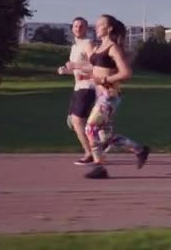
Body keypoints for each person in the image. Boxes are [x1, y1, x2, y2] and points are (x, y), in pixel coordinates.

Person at [67, 14, 150, 179]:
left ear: (109, 28)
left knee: (90, 128)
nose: (96, 27)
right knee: (105, 137)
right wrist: (75, 68)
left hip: (109, 95)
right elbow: (96, 69)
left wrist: (105, 79)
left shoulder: (113, 47)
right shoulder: (99, 47)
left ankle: (100, 167)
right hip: (100, 95)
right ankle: (140, 149)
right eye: (96, 24)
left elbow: (126, 73)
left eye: (100, 24)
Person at [57, 17, 96, 165]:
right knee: (73, 123)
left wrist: (75, 65)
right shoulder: (74, 48)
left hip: (88, 86)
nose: (78, 28)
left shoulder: (88, 44)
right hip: (78, 86)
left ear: (86, 29)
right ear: (72, 29)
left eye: (81, 26)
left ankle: (90, 153)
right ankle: (98, 141)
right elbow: (76, 68)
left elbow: (95, 67)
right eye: (75, 26)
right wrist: (65, 71)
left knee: (77, 120)